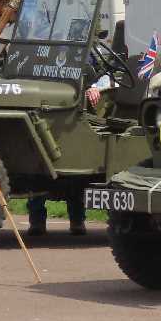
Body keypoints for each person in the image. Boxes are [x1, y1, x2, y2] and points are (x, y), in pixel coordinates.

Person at [25, 66, 112, 237]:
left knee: (78, 178)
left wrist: (92, 88)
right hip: (48, 116)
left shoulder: (82, 60)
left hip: (74, 122)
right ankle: (37, 221)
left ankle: (77, 220)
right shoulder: (43, 61)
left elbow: (95, 76)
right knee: (37, 173)